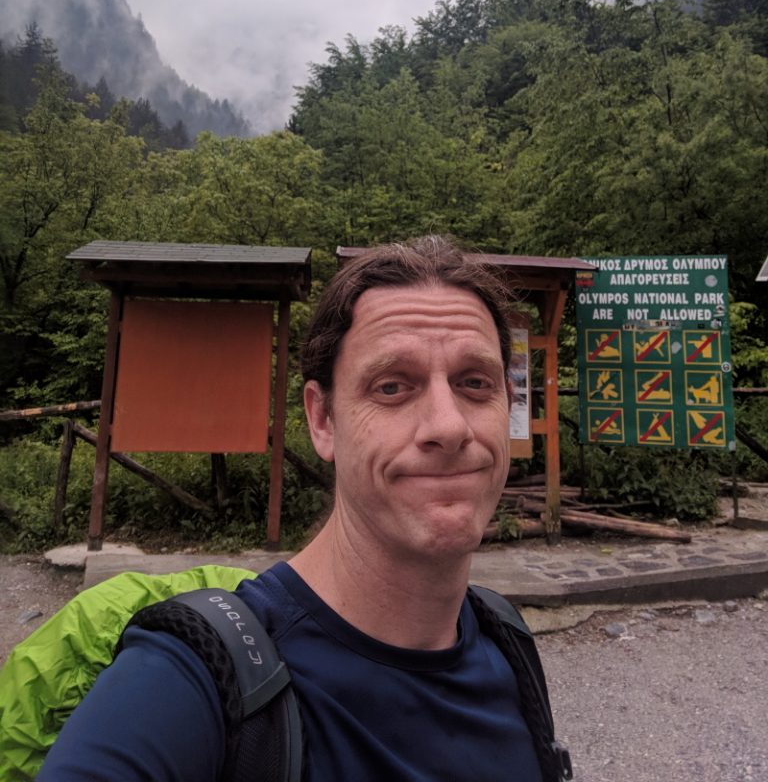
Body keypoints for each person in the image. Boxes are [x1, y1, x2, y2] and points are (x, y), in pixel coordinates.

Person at [38, 236, 559, 781]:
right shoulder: (188, 682)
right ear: (322, 420)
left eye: (475, 383)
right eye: (391, 387)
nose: (449, 426)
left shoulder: (507, 642)